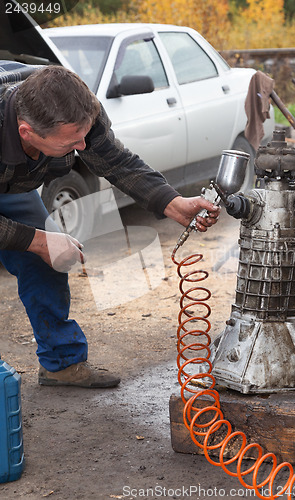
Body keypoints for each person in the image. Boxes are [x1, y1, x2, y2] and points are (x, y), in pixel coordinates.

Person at [0, 63, 219, 388]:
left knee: (45, 260)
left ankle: (61, 365)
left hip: (12, 186)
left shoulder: (73, 102)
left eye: (83, 137)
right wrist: (39, 240)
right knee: (42, 245)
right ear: (26, 133)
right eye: (70, 144)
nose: (82, 148)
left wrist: (172, 203)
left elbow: (114, 160)